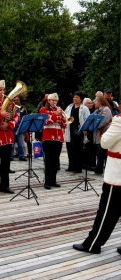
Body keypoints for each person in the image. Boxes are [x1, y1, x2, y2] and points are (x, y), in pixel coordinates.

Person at [73, 114, 121, 255]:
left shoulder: (119, 120)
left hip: (117, 176)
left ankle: (92, 244)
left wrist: (108, 130)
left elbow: (105, 142)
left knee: (107, 213)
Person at [39, 93, 67, 190]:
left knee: (55, 160)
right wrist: (55, 114)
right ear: (49, 101)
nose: (54, 102)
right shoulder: (43, 110)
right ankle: (47, 181)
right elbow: (46, 121)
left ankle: (53, 180)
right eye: (52, 100)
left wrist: (64, 119)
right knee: (49, 160)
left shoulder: (59, 110)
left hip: (58, 138)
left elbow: (64, 125)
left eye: (56, 101)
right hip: (48, 138)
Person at [64, 91, 90, 173]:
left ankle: (78, 167)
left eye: (77, 97)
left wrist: (86, 129)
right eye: (74, 97)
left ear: (81, 99)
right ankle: (71, 166)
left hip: (79, 130)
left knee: (78, 150)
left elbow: (87, 119)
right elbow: (65, 116)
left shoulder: (84, 108)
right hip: (70, 129)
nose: (74, 99)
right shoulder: (69, 107)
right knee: (70, 148)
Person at [90, 96, 112, 175]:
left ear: (100, 102)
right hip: (97, 134)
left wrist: (96, 125)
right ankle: (98, 168)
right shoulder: (97, 111)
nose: (94, 103)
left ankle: (102, 168)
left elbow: (105, 120)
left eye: (96, 101)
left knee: (103, 152)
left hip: (104, 133)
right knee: (99, 152)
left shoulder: (106, 109)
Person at [10, 96, 27, 161]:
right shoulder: (11, 108)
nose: (16, 101)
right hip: (13, 127)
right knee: (12, 143)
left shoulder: (22, 108)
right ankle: (11, 156)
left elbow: (25, 117)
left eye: (17, 100)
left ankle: (21, 156)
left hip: (20, 127)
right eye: (14, 100)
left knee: (21, 143)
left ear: (19, 100)